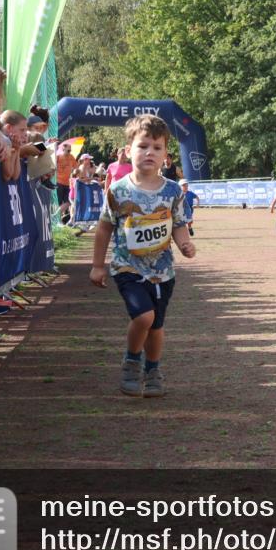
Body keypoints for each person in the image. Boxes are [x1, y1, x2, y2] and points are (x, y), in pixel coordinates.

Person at [90, 114, 196, 397]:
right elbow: (103, 230)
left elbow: (178, 224)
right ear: (128, 151)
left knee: (156, 325)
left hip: (162, 272)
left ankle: (152, 370)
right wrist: (97, 266)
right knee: (144, 317)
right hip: (128, 269)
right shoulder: (118, 190)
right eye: (143, 146)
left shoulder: (173, 191)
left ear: (165, 155)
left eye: (157, 147)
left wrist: (185, 244)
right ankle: (131, 362)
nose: (150, 152)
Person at [55, 141, 76, 224]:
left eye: (70, 150)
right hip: (59, 182)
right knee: (59, 203)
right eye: (68, 150)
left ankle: (56, 216)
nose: (69, 152)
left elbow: (76, 167)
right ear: (63, 149)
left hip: (68, 183)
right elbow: (52, 166)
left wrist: (75, 172)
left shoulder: (71, 157)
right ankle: (58, 220)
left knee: (68, 202)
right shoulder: (58, 157)